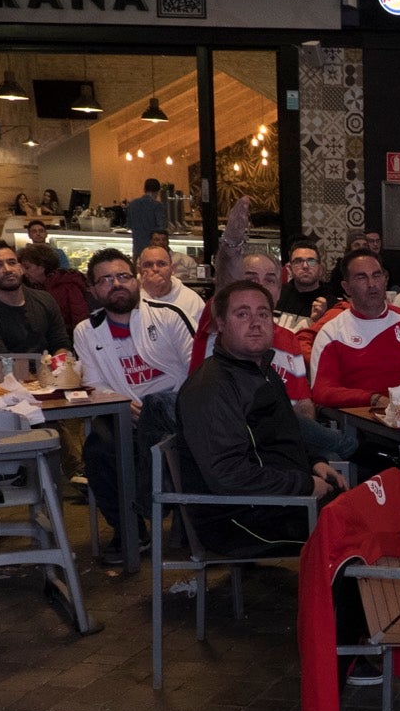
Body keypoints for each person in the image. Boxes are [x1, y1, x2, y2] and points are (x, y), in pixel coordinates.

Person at [176, 280, 347, 556]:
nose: (256, 323)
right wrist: (303, 485)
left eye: (263, 314)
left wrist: (314, 461)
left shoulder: (260, 370)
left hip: (279, 503)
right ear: (220, 323)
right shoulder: (212, 386)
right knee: (354, 542)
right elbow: (227, 476)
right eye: (242, 314)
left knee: (379, 518)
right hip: (240, 519)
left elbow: (281, 434)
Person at [73, 248, 196, 563]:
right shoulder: (86, 331)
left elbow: (197, 369)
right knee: (97, 448)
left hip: (175, 409)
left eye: (123, 276)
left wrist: (170, 406)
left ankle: (151, 506)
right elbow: (94, 383)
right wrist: (123, 404)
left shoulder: (168, 316)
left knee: (156, 407)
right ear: (94, 290)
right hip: (123, 411)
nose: (116, 284)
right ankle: (130, 529)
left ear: (136, 279)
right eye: (105, 280)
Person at [310, 249, 400, 410]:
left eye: (377, 275)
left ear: (385, 280)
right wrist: (372, 399)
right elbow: (322, 391)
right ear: (346, 287)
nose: (372, 284)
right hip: (362, 422)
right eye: (361, 277)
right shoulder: (332, 333)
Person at [0, 241, 68, 355]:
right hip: (9, 371)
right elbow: (0, 363)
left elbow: (61, 344)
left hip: (52, 370)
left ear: (20, 268)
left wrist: (58, 368)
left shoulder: (45, 299)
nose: (8, 269)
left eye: (12, 262)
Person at [16, 243, 90, 336]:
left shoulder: (67, 284)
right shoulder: (33, 287)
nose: (24, 272)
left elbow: (80, 317)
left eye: (27, 267)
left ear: (42, 266)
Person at [137, 244, 205, 326]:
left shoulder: (192, 300)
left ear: (172, 269)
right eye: (148, 265)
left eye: (161, 264)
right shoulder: (131, 297)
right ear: (139, 270)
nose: (155, 269)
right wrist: (147, 294)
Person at [278, 239, 339, 324]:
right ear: (290, 269)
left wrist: (322, 320)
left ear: (320, 269)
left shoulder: (332, 303)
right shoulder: (278, 294)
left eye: (311, 261)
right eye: (298, 261)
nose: (305, 266)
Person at [126, 179, 168, 256]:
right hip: (153, 250)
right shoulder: (158, 206)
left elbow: (129, 225)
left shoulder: (132, 204)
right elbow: (161, 227)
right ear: (158, 191)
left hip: (137, 248)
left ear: (144, 189)